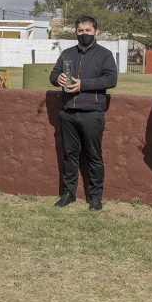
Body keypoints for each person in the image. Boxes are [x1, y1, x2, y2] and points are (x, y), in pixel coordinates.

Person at [50, 15, 118, 210]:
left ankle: (95, 197)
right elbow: (53, 74)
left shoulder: (105, 54)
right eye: (81, 31)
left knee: (94, 156)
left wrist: (83, 84)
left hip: (92, 112)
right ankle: (69, 193)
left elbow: (111, 79)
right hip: (68, 111)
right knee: (69, 155)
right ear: (76, 32)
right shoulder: (67, 53)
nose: (84, 34)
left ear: (96, 32)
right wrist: (58, 79)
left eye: (88, 31)